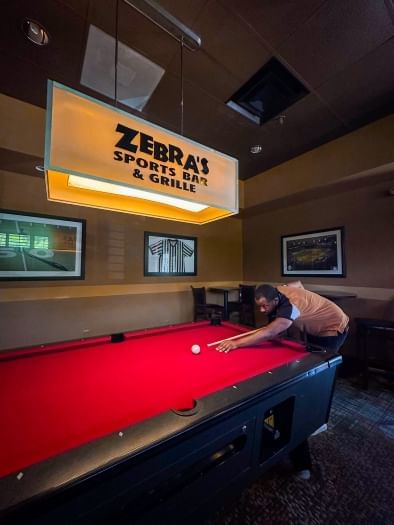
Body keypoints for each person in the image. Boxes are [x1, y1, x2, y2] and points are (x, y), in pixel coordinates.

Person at [217, 280, 349, 480]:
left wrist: (236, 343)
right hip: (314, 325)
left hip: (332, 328)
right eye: (259, 305)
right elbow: (296, 283)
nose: (262, 310)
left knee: (315, 376)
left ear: (276, 299)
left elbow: (271, 331)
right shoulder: (277, 291)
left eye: (265, 306)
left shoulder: (290, 303)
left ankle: (317, 415)